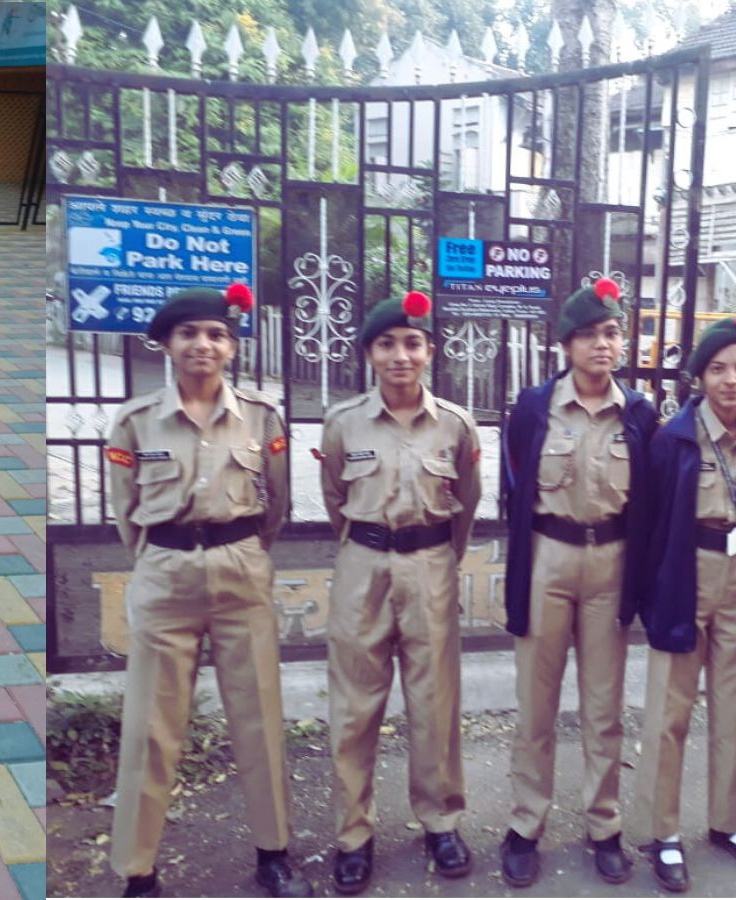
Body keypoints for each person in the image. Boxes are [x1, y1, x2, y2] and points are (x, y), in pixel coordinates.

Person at [104, 284, 309, 898]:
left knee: (260, 718)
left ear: (231, 345)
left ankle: (273, 853)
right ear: (168, 343)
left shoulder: (262, 418)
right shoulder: (136, 420)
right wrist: (161, 559)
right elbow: (125, 511)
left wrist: (241, 551)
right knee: (150, 726)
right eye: (190, 333)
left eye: (216, 334)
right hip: (166, 572)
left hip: (241, 570)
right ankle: (138, 869)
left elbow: (275, 503)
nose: (203, 344)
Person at [319, 291, 482, 895]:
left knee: (434, 703)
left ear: (429, 351)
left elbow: (467, 499)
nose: (400, 355)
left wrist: (437, 555)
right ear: (369, 354)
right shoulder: (343, 423)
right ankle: (353, 834)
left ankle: (440, 821)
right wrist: (367, 544)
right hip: (362, 565)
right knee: (355, 709)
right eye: (387, 344)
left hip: (430, 564)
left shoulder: (456, 425)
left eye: (412, 343)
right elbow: (335, 496)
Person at [499, 277, 657, 888]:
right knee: (536, 706)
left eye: (611, 333)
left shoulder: (639, 414)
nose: (601, 344)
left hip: (610, 561)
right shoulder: (535, 408)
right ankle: (525, 824)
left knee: (603, 706)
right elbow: (514, 489)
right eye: (588, 334)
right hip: (549, 558)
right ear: (566, 344)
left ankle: (604, 825)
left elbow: (648, 497)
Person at [634, 315, 736, 892]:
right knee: (670, 712)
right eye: (718, 369)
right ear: (700, 377)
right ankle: (662, 832)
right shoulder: (673, 438)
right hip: (684, 574)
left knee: (733, 708)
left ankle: (727, 822)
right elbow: (646, 522)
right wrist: (647, 596)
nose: (731, 380)